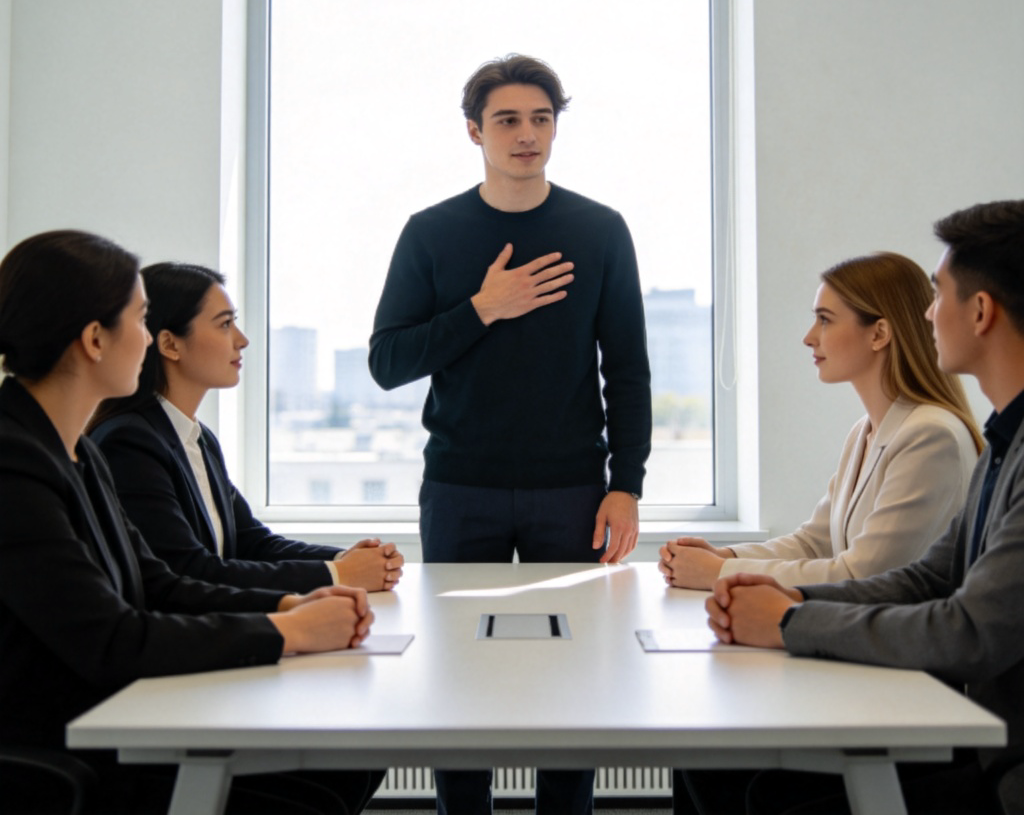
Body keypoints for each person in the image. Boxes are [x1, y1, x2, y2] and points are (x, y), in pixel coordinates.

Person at [0, 230, 382, 815]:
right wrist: (289, 632)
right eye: (141, 319)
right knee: (312, 799)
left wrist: (288, 606)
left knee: (341, 770)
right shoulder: (14, 462)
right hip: (70, 744)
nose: (148, 337)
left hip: (119, 714)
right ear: (95, 339)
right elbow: (112, 637)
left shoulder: (79, 450)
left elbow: (158, 584)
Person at [369, 54, 652, 815]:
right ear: (474, 131)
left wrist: (627, 485)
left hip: (574, 490)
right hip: (461, 488)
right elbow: (387, 363)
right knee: (458, 682)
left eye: (541, 118)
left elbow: (627, 370)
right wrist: (482, 308)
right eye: (507, 120)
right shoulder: (431, 232)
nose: (527, 134)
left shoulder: (600, 229)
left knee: (575, 682)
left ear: (556, 127)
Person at [704, 200, 1024, 815]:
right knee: (730, 771)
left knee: (764, 791)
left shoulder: (961, 438)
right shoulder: (1003, 443)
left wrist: (789, 621)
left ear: (981, 311)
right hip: (978, 736)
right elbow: (928, 578)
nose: (926, 313)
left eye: (938, 294)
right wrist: (789, 597)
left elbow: (969, 630)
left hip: (1001, 766)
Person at [660, 251, 981, 593]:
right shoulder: (864, 432)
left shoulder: (930, 435)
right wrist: (723, 555)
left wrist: (720, 572)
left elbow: (861, 575)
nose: (809, 337)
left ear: (879, 334)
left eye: (825, 320)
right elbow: (814, 544)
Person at [89, 262, 404, 594]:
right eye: (225, 324)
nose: (242, 340)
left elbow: (250, 542)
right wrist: (338, 575)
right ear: (170, 345)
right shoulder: (129, 442)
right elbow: (188, 571)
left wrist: (344, 560)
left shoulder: (198, 438)